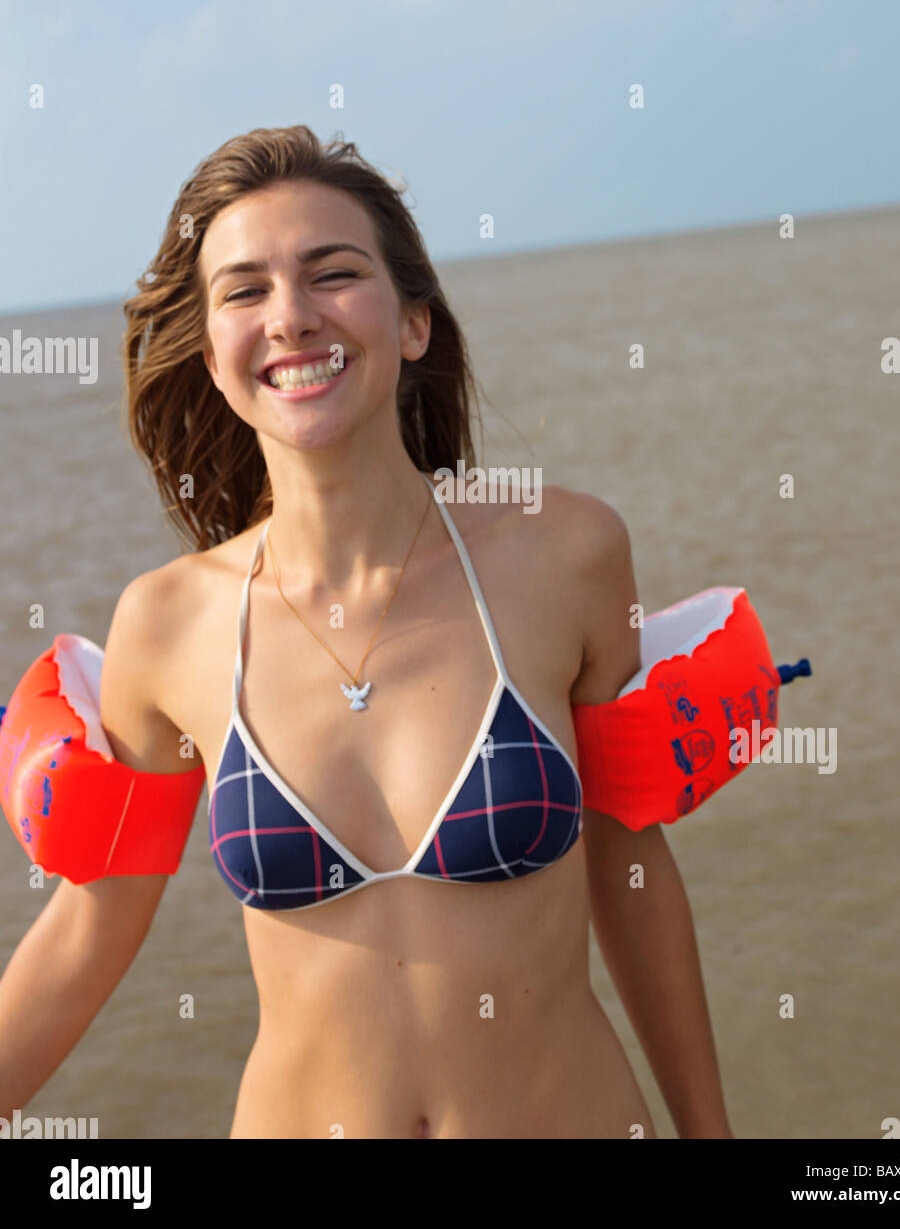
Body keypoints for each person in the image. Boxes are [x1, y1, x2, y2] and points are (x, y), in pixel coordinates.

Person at [0, 126, 732, 1139]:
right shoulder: (168, 624)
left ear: (414, 321)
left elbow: (631, 865)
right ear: (212, 356)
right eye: (244, 290)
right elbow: (90, 925)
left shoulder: (565, 555)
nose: (292, 317)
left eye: (331, 274)